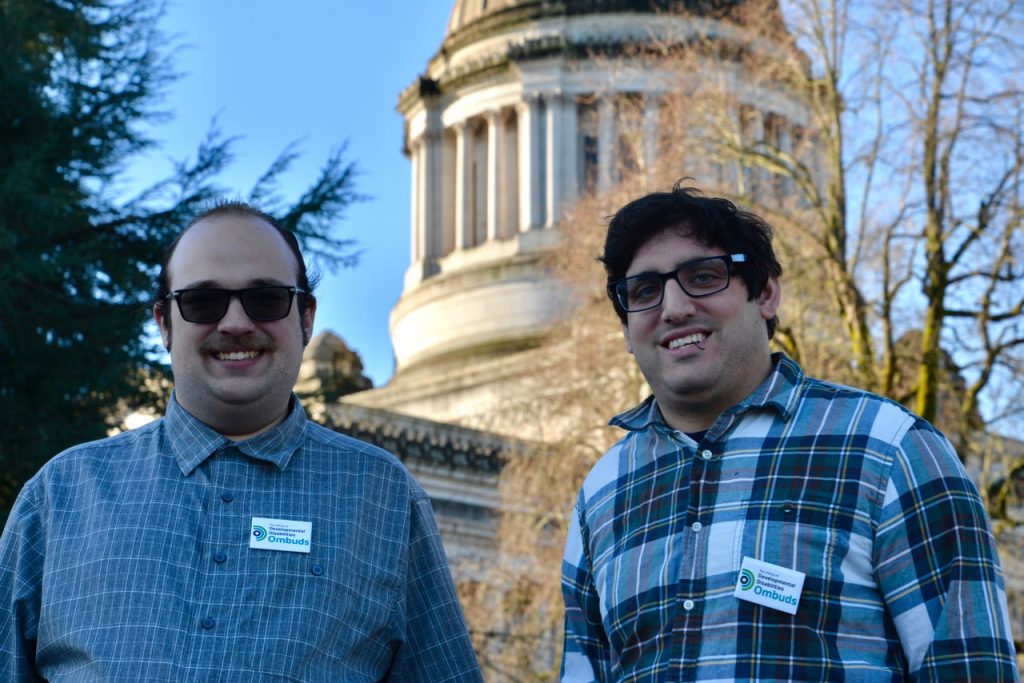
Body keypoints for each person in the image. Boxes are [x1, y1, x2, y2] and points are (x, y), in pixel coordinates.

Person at [0, 202, 483, 681]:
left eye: (267, 299)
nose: (234, 323)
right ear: (164, 324)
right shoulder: (60, 496)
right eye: (203, 301)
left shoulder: (382, 498)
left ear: (306, 317)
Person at [560, 184, 1019, 681]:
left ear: (766, 294)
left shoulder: (890, 450)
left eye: (703, 277)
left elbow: (970, 668)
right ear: (627, 330)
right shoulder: (601, 493)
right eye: (645, 291)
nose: (673, 307)